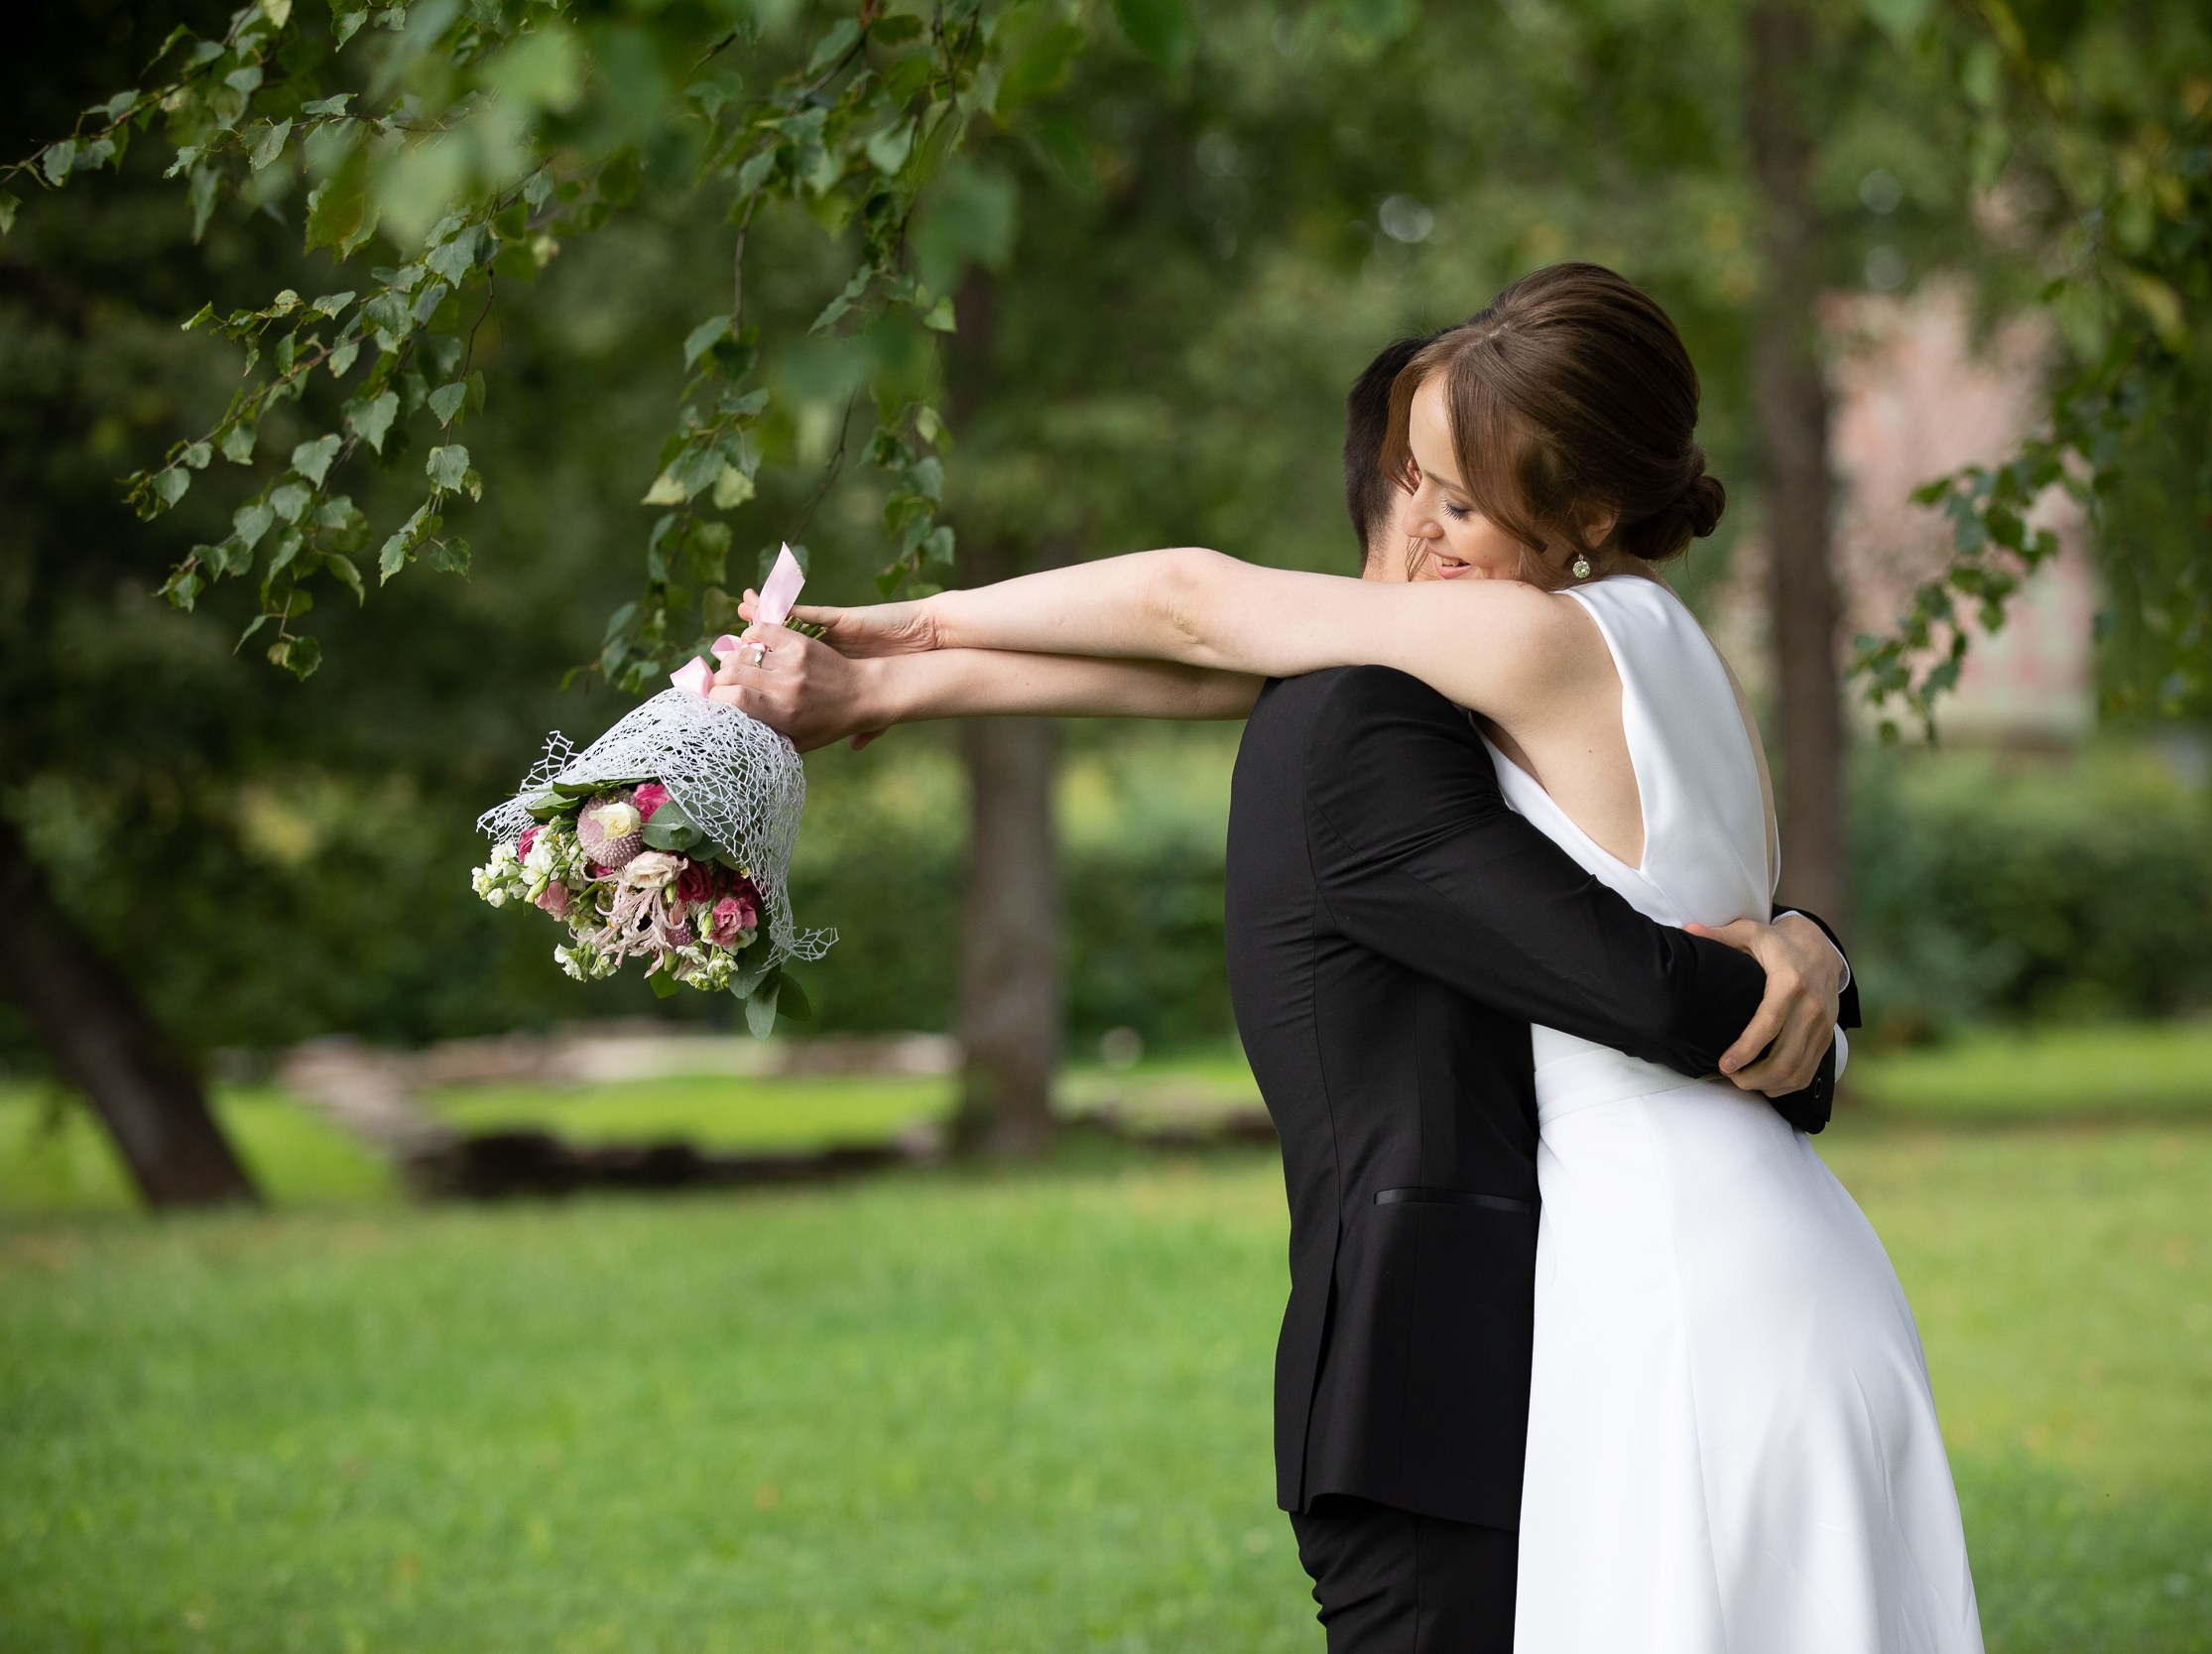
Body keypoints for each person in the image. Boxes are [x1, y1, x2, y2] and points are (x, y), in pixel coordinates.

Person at [712, 275, 1917, 1652]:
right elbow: (1250, 674)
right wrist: (894, 687)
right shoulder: (1676, 648)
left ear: (1581, 516)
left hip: (1667, 1274)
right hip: (1801, 1236)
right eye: (1416, 481)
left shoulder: (1527, 636)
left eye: (1464, 499)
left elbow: (1195, 611)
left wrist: (921, 625)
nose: (1428, 526)